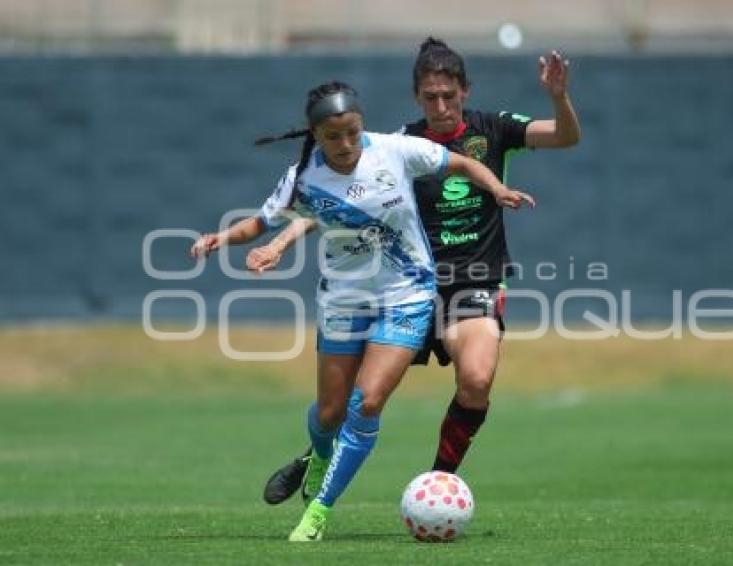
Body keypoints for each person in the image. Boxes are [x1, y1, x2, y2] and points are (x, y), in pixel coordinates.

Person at [191, 81, 534, 541]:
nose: (346, 143)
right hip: (343, 301)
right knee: (329, 414)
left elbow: (463, 162)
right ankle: (319, 455)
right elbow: (261, 220)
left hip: (406, 295)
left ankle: (318, 513)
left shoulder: (395, 151)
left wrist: (496, 187)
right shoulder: (304, 177)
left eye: (353, 132)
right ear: (315, 134)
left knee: (366, 403)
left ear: (362, 124)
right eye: (333, 136)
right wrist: (222, 239)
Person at [258, 37, 578, 506]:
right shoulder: (399, 145)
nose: (441, 106)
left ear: (465, 91)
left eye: (449, 95)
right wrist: (280, 240)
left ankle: (437, 487)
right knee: (346, 403)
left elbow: (565, 136)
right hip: (405, 287)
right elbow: (333, 204)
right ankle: (316, 455)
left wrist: (558, 97)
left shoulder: (494, 129)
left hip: (473, 284)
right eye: (431, 97)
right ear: (417, 97)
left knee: (477, 380)